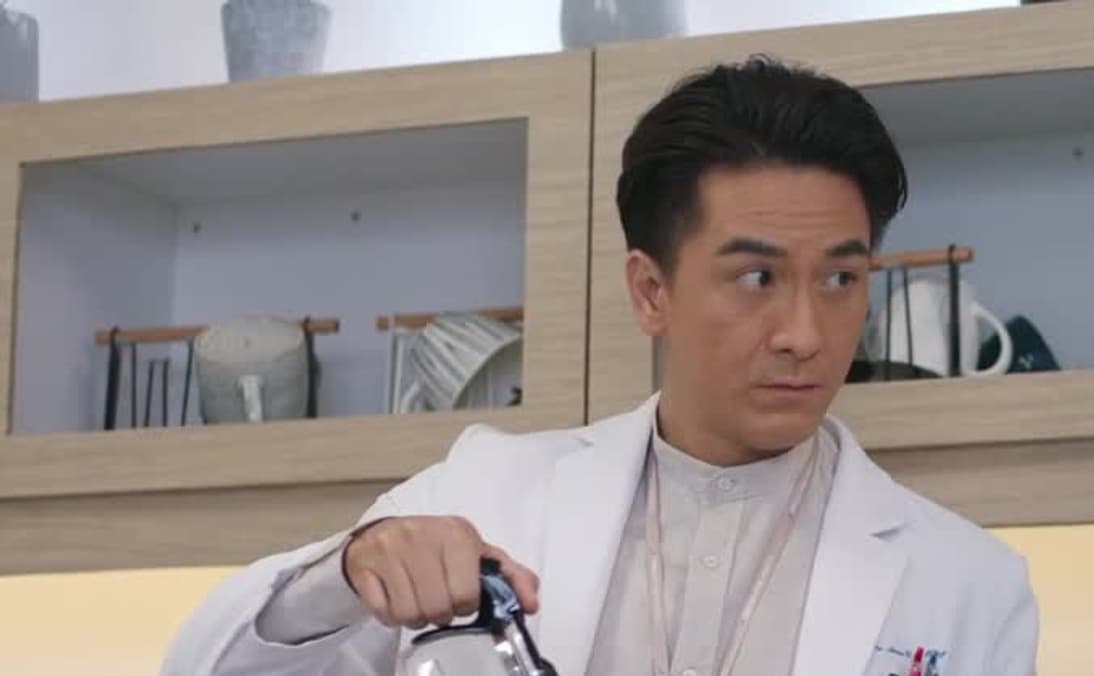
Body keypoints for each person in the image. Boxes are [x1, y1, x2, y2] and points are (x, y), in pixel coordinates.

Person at [162, 56, 1039, 676]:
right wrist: (343, 576)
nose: (806, 334)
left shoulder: (969, 584)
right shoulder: (485, 493)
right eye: (758, 278)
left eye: (842, 279)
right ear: (651, 291)